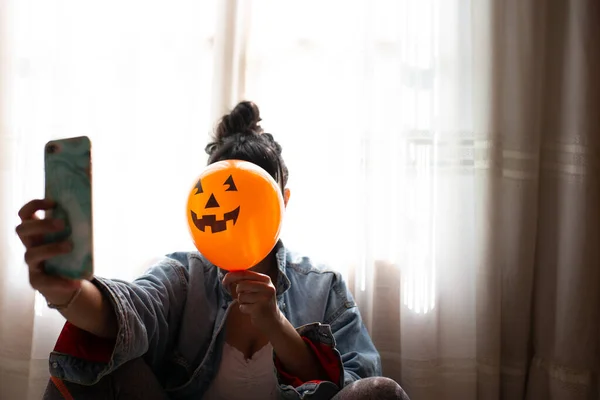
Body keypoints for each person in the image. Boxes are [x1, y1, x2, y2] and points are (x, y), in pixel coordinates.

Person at [16, 101, 410, 400]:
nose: (231, 210)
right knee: (96, 354)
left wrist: (276, 324)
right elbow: (131, 311)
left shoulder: (323, 287)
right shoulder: (185, 274)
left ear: (283, 201)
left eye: (252, 195)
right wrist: (65, 290)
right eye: (218, 192)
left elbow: (355, 383)